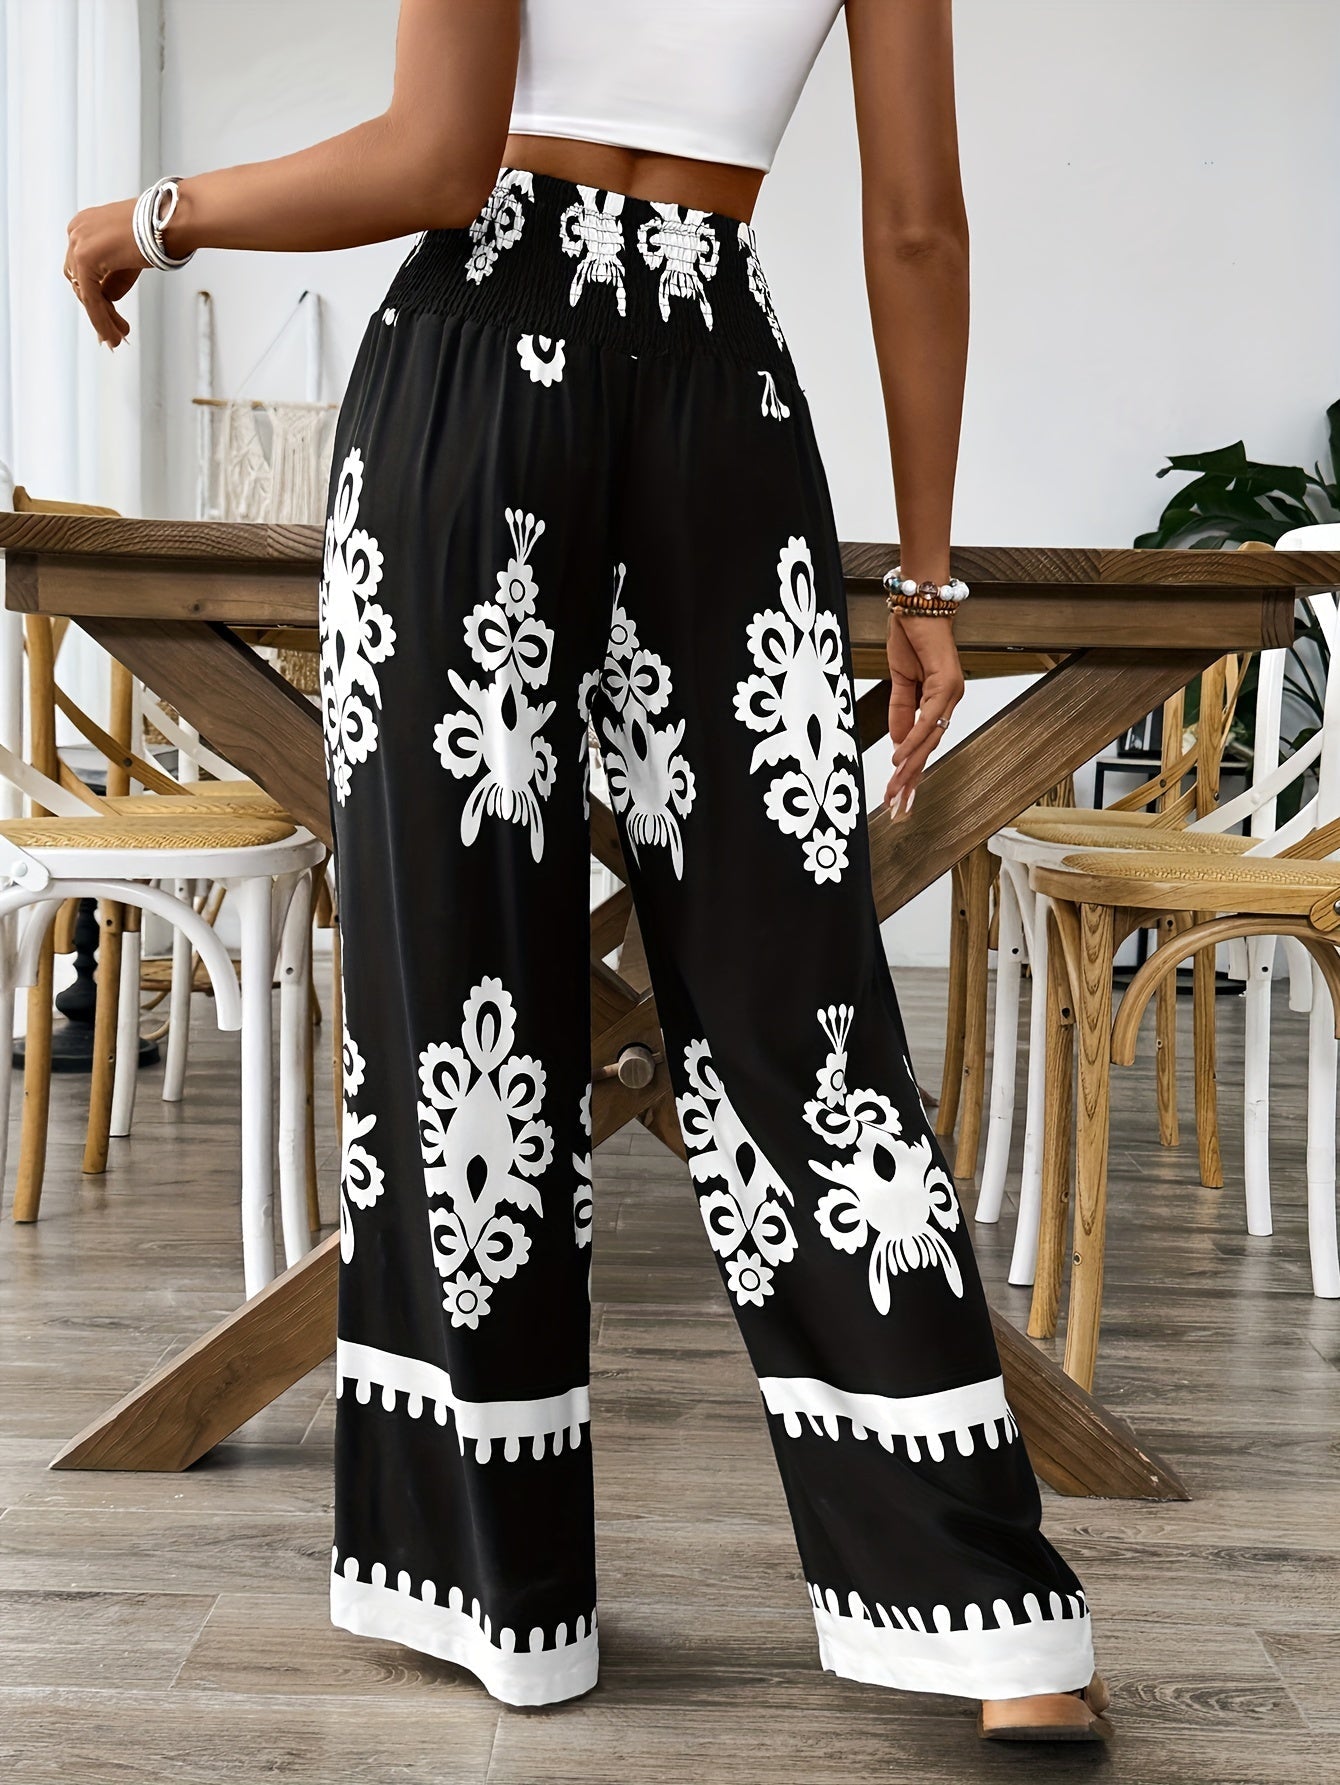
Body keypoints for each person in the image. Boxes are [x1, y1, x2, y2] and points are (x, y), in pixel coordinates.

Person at [63, 0, 1110, 1744]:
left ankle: (505, 1594)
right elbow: (919, 224)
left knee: (454, 992)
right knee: (800, 997)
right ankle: (997, 1624)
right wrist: (925, 580)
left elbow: (435, 162)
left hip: (473, 384)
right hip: (721, 395)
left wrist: (155, 216)